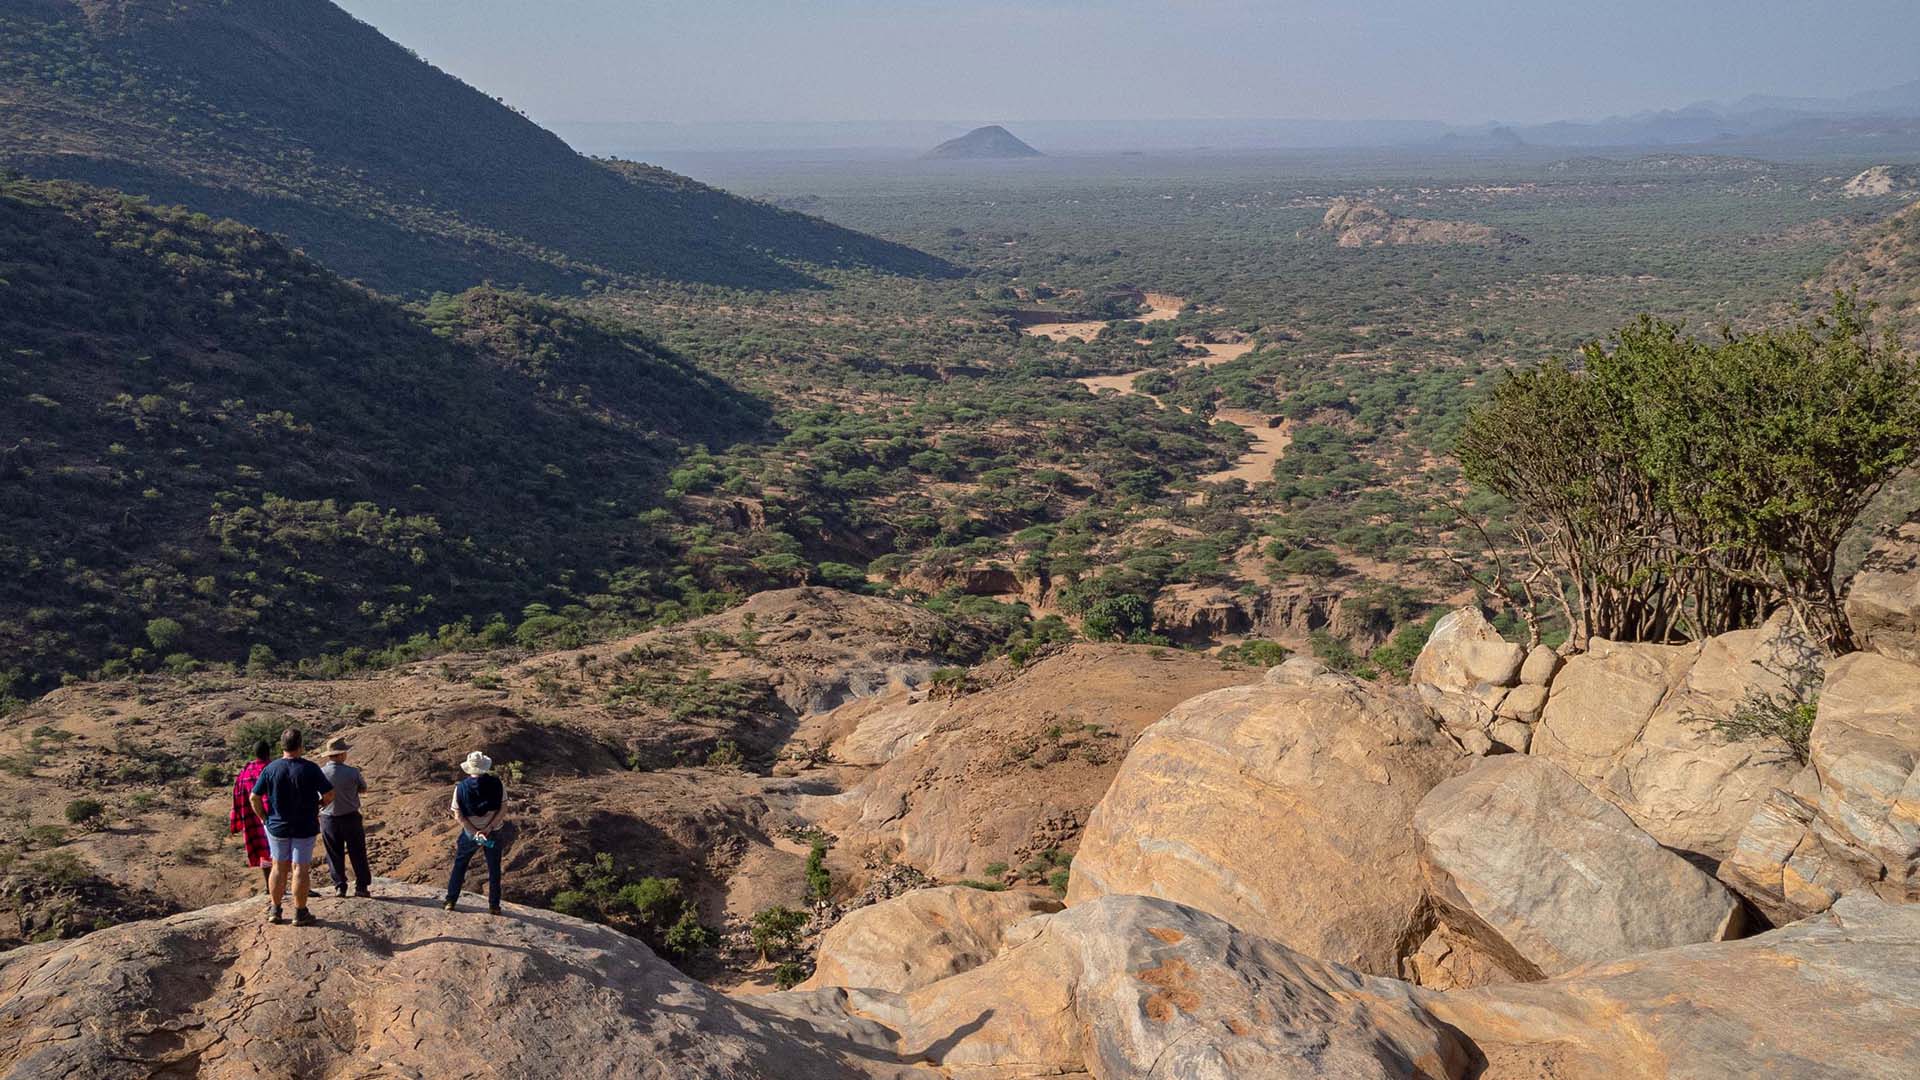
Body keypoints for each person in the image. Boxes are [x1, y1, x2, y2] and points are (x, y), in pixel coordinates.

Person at [249, 727, 333, 926]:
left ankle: (275, 909)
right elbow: (329, 794)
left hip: (277, 826)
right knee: (300, 868)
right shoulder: (311, 768)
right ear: (301, 746)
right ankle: (300, 912)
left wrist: (264, 818)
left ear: (281, 746)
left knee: (278, 866)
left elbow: (254, 797)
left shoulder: (270, 769)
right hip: (304, 825)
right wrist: (320, 805)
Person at [444, 751, 508, 916]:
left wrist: (474, 832)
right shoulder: (497, 783)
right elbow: (503, 808)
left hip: (470, 834)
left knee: (460, 865)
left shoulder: (460, 788)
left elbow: (458, 815)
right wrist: (489, 828)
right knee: (494, 868)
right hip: (493, 832)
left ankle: (451, 901)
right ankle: (494, 906)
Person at [318, 737, 372, 899]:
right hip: (350, 817)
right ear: (341, 754)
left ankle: (340, 886)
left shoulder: (320, 773)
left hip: (328, 818)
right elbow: (363, 788)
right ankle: (361, 886)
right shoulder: (352, 772)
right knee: (358, 852)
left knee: (334, 853)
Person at [229, 740, 274, 903]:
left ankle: (270, 887)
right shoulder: (274, 768)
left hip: (254, 819)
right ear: (269, 752)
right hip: (275, 816)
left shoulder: (245, 772)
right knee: (285, 851)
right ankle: (294, 885)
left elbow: (237, 796)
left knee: (264, 853)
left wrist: (238, 820)